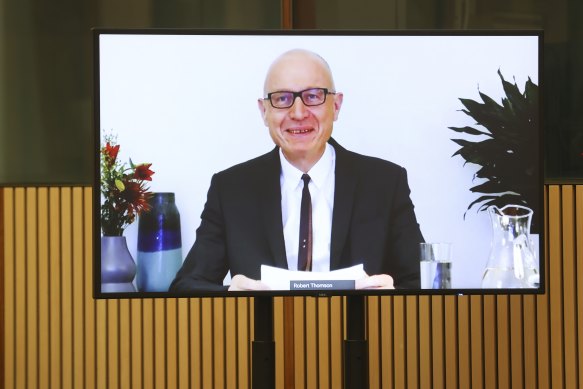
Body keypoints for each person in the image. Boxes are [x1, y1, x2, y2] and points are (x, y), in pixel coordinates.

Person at [170, 49, 423, 292]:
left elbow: (423, 284)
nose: (298, 113)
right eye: (282, 99)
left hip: (358, 331)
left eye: (313, 96)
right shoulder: (231, 189)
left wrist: (393, 295)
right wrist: (231, 293)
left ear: (336, 106)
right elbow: (186, 287)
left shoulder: (385, 183)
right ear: (264, 111)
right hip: (267, 333)